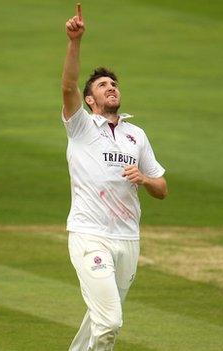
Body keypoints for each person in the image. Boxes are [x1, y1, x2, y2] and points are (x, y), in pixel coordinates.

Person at [61, 4, 168, 350]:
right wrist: (75, 42)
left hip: (127, 238)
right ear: (90, 99)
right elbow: (67, 86)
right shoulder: (81, 127)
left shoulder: (136, 135)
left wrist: (146, 179)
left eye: (114, 84)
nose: (112, 88)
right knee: (110, 322)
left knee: (98, 319)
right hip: (90, 234)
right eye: (103, 85)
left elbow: (162, 188)